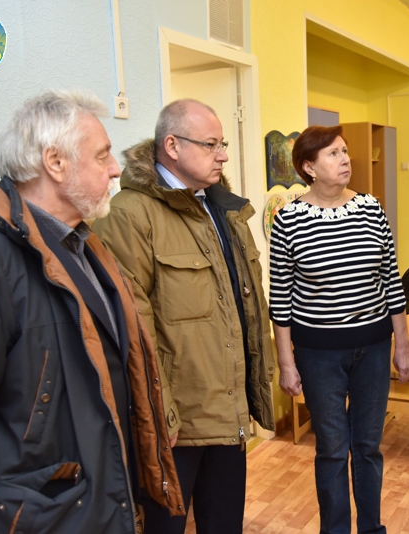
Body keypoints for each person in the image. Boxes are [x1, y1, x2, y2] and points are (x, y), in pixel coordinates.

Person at [0, 90, 183, 533]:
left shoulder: (82, 243)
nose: (115, 168)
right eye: (102, 155)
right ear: (55, 162)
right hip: (41, 511)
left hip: (94, 499)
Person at [92, 98, 275, 534]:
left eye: (223, 144)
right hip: (176, 420)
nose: (223, 155)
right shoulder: (130, 215)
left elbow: (244, 304)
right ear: (172, 146)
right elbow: (131, 326)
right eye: (211, 144)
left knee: (225, 523)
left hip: (228, 408)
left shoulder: (222, 208)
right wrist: (160, 412)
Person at [269, 125, 409, 534]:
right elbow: (280, 298)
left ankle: (371, 528)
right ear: (309, 167)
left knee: (367, 447)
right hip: (318, 355)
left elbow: (391, 281)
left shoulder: (371, 209)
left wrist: (403, 345)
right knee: (332, 449)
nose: (346, 159)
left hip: (373, 348)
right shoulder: (288, 220)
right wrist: (286, 363)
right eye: (333, 154)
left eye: (345, 151)